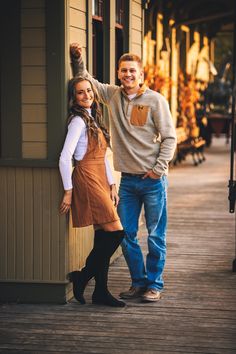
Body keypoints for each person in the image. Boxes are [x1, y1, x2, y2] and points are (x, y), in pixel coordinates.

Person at [70, 43, 177, 302]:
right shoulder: (113, 95)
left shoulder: (155, 100)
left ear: (141, 75)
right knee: (126, 235)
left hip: (152, 180)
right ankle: (138, 282)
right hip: (127, 181)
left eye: (132, 71)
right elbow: (87, 82)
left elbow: (170, 138)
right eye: (123, 71)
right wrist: (78, 60)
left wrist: (157, 170)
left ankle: (155, 284)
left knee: (155, 234)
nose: (127, 75)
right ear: (118, 74)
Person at [59, 76, 126, 307]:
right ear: (74, 97)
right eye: (80, 92)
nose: (87, 95)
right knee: (116, 232)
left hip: (100, 177)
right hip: (87, 178)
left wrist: (112, 185)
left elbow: (103, 157)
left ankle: (100, 292)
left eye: (89, 90)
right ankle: (84, 275)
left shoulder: (93, 118)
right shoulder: (77, 121)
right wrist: (68, 191)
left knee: (103, 235)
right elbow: (65, 158)